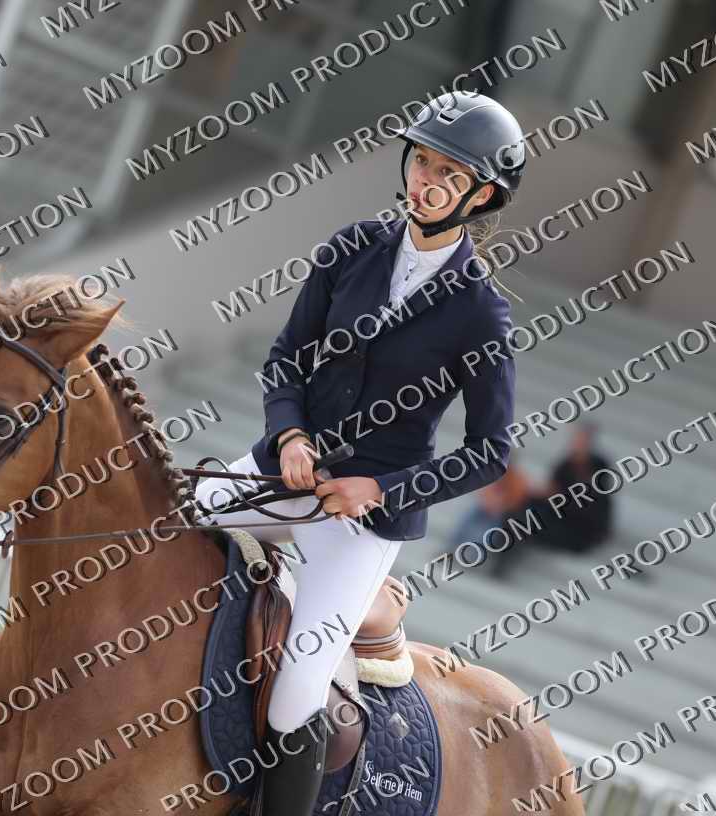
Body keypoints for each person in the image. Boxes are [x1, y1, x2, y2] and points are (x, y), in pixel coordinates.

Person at [190, 91, 525, 816]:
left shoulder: (482, 313)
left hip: (359, 522)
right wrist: (290, 435)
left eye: (448, 174)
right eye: (422, 162)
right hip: (280, 475)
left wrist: (379, 490)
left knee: (299, 691)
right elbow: (287, 356)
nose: (426, 181)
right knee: (160, 529)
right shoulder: (351, 248)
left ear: (481, 195)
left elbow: (490, 452)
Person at [486, 422, 614, 579]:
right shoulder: (565, 465)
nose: (577, 444)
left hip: (580, 531)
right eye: (576, 439)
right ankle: (497, 561)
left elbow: (590, 504)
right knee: (516, 514)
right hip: (559, 519)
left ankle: (499, 564)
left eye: (582, 440)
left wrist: (557, 497)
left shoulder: (599, 468)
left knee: (523, 523)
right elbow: (552, 495)